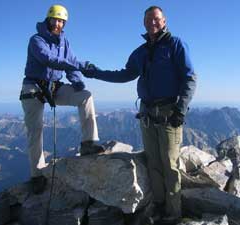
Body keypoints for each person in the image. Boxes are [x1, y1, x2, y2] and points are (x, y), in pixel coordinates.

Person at [82, 5, 197, 224]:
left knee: (170, 165)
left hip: (169, 113)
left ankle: (174, 214)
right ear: (144, 23)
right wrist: (95, 73)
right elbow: (124, 75)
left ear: (164, 21)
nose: (152, 23)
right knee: (153, 162)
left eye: (156, 19)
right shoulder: (140, 52)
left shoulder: (175, 45)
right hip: (147, 114)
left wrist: (180, 109)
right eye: (148, 20)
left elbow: (190, 78)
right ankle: (160, 206)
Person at [20, 5, 104, 194]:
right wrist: (82, 65)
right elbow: (49, 59)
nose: (57, 24)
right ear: (48, 19)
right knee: (35, 130)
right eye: (55, 20)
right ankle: (37, 175)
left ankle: (88, 143)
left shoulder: (64, 42)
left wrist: (78, 83)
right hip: (33, 87)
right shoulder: (36, 40)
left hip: (53, 87)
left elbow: (70, 65)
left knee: (85, 97)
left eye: (61, 21)